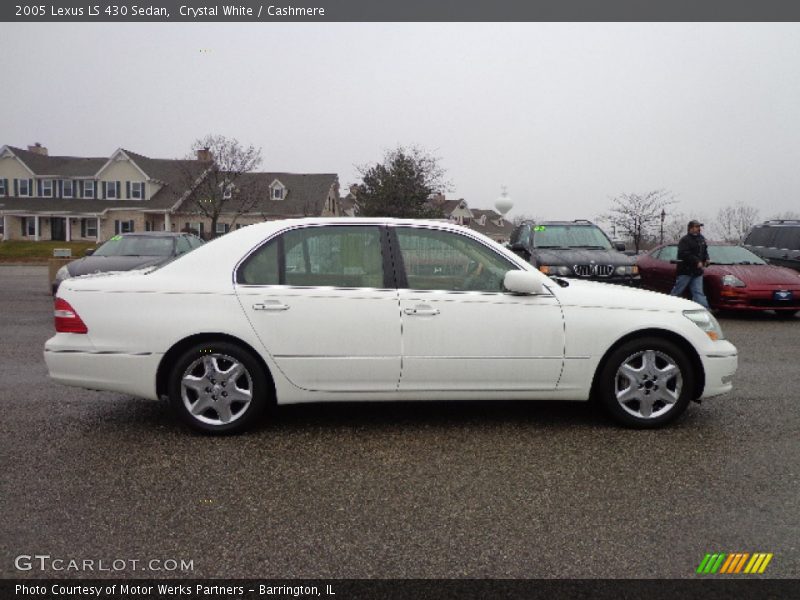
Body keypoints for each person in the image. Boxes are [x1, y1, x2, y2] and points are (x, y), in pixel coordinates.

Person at [670, 219, 710, 308]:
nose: (698, 228)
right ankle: (670, 306)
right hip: (685, 271)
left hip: (697, 272)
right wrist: (696, 261)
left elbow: (704, 251)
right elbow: (684, 254)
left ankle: (704, 309)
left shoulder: (701, 239)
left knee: (698, 292)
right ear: (690, 228)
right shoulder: (685, 240)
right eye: (696, 227)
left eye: (699, 227)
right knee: (678, 291)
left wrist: (706, 259)